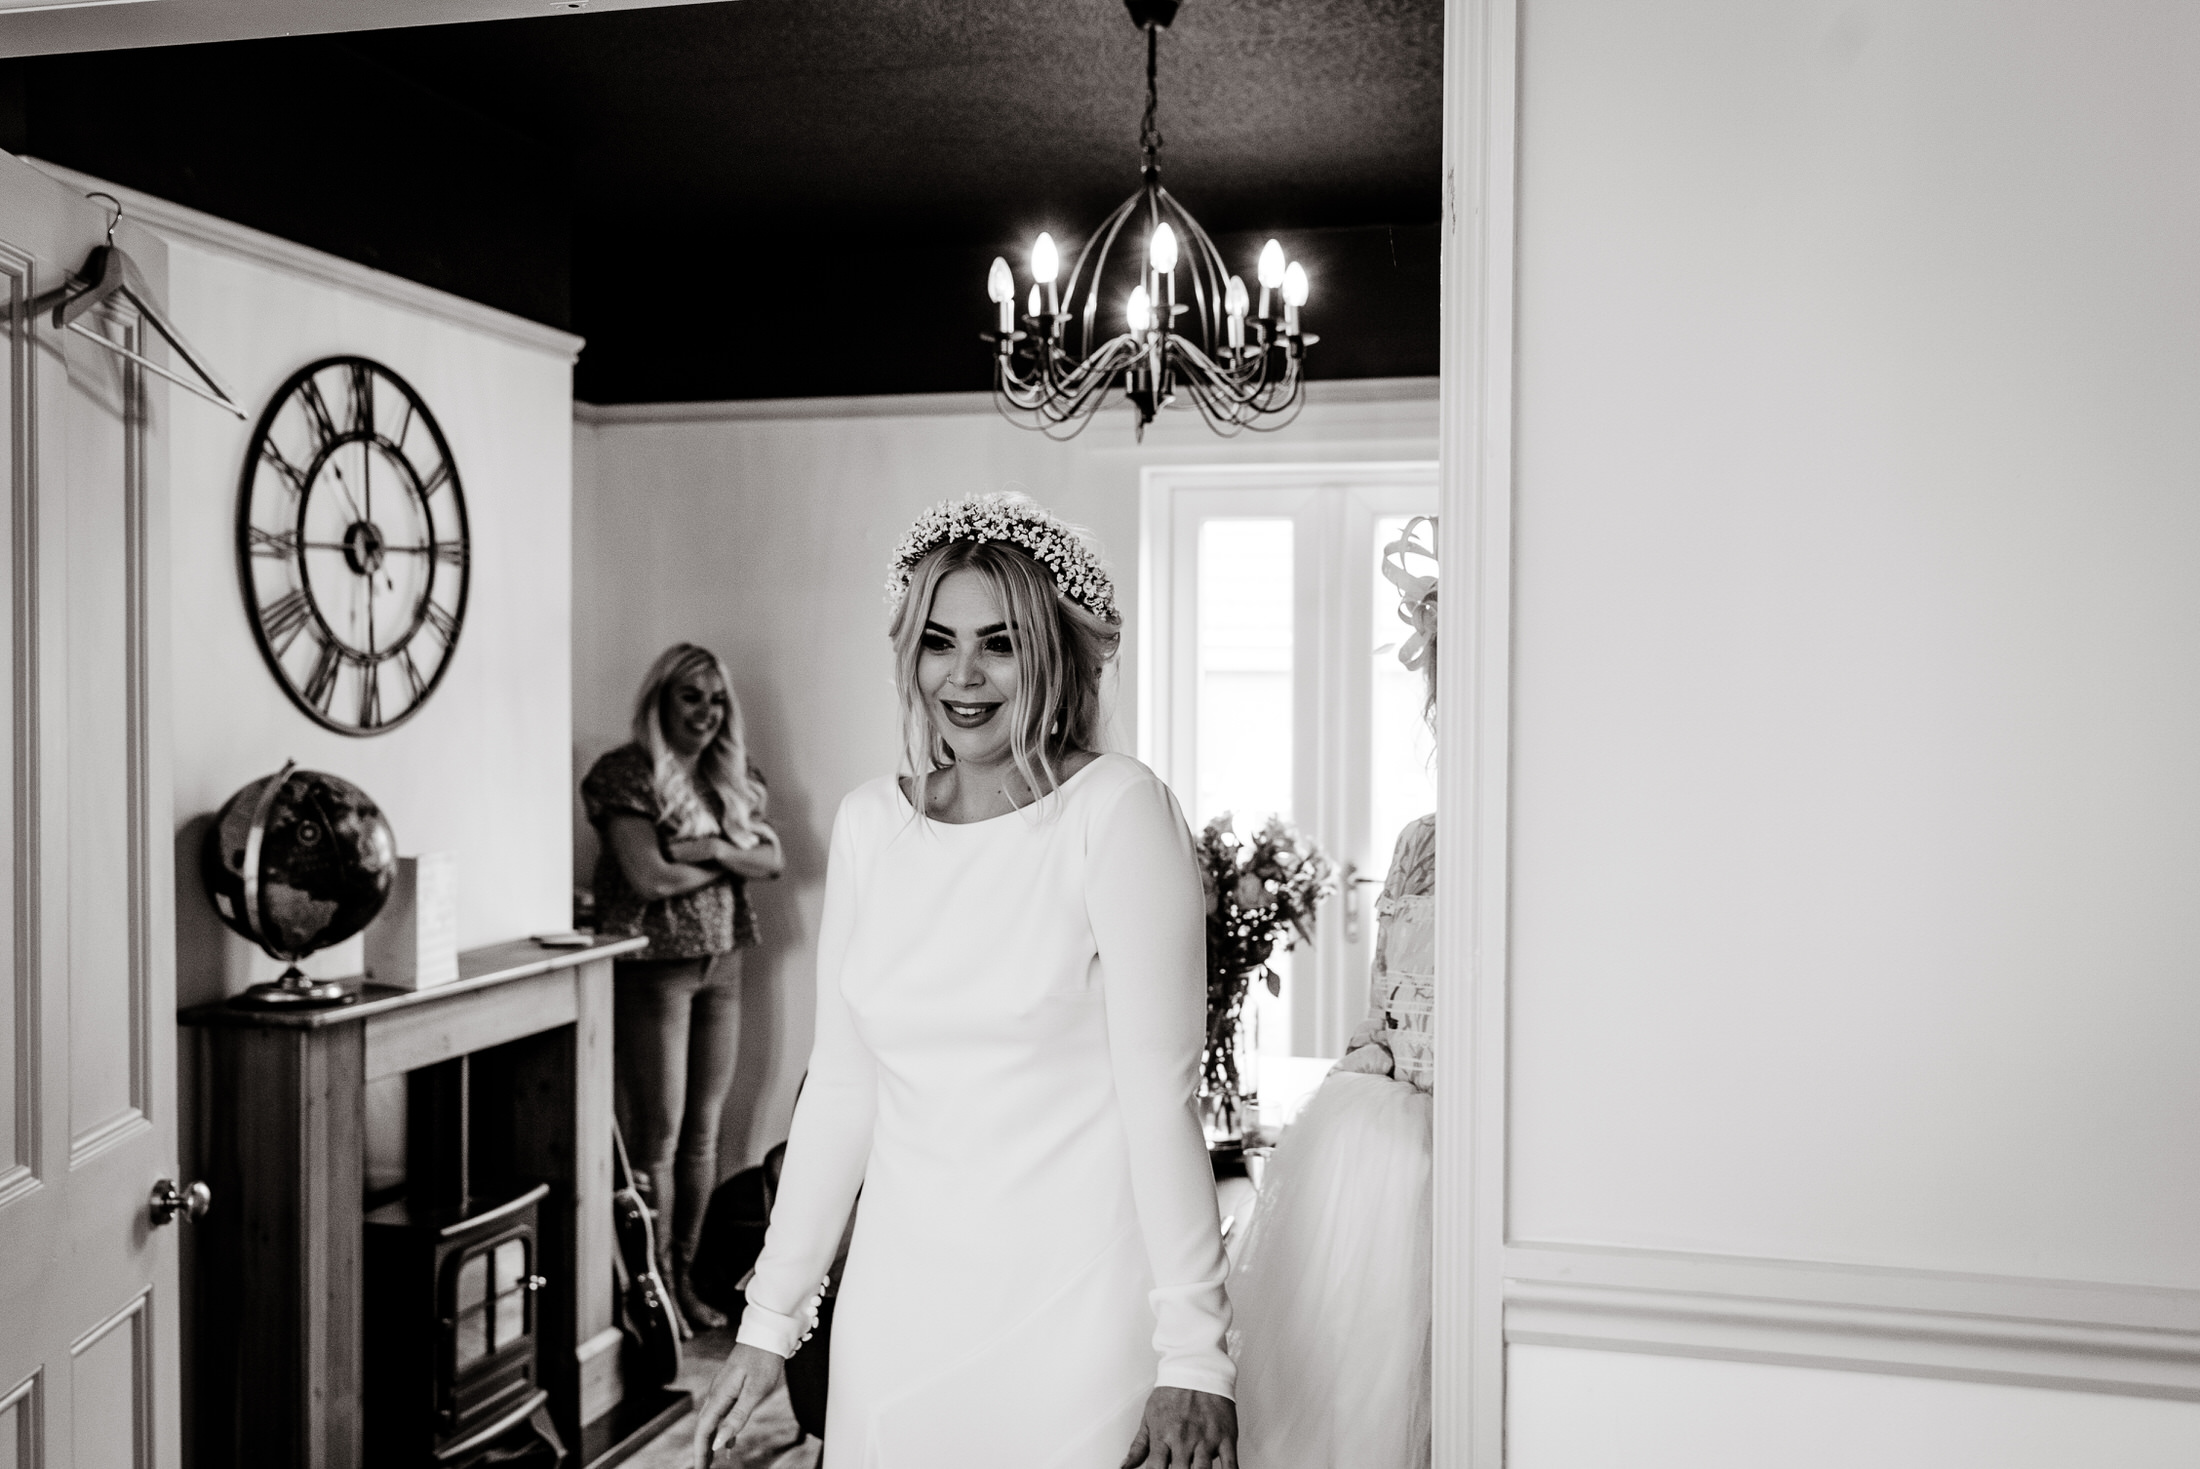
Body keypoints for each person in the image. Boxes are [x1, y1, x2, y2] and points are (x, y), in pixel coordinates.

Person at [691, 493, 1238, 1469]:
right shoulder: (869, 824)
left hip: (1074, 1308)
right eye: (940, 642)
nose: (965, 675)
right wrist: (769, 1319)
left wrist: (1195, 1351)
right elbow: (842, 1090)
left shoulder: (1117, 812)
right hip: (897, 1316)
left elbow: (1162, 1098)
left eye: (1001, 643)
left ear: (1057, 655)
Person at [1225, 517, 1438, 1469]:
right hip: (1371, 1130)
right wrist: (1373, 1051)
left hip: (1464, 1142)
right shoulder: (1419, 839)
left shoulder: (1544, 829)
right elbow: (1380, 1000)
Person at [583, 642, 785, 1333]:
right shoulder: (625, 774)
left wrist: (717, 851)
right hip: (656, 969)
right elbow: (651, 878)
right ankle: (651, 1289)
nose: (706, 711)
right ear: (661, 701)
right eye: (690, 696)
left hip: (724, 963)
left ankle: (686, 1278)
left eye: (716, 697)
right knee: (657, 1137)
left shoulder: (729, 775)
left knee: (704, 1135)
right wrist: (729, 861)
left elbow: (774, 858)